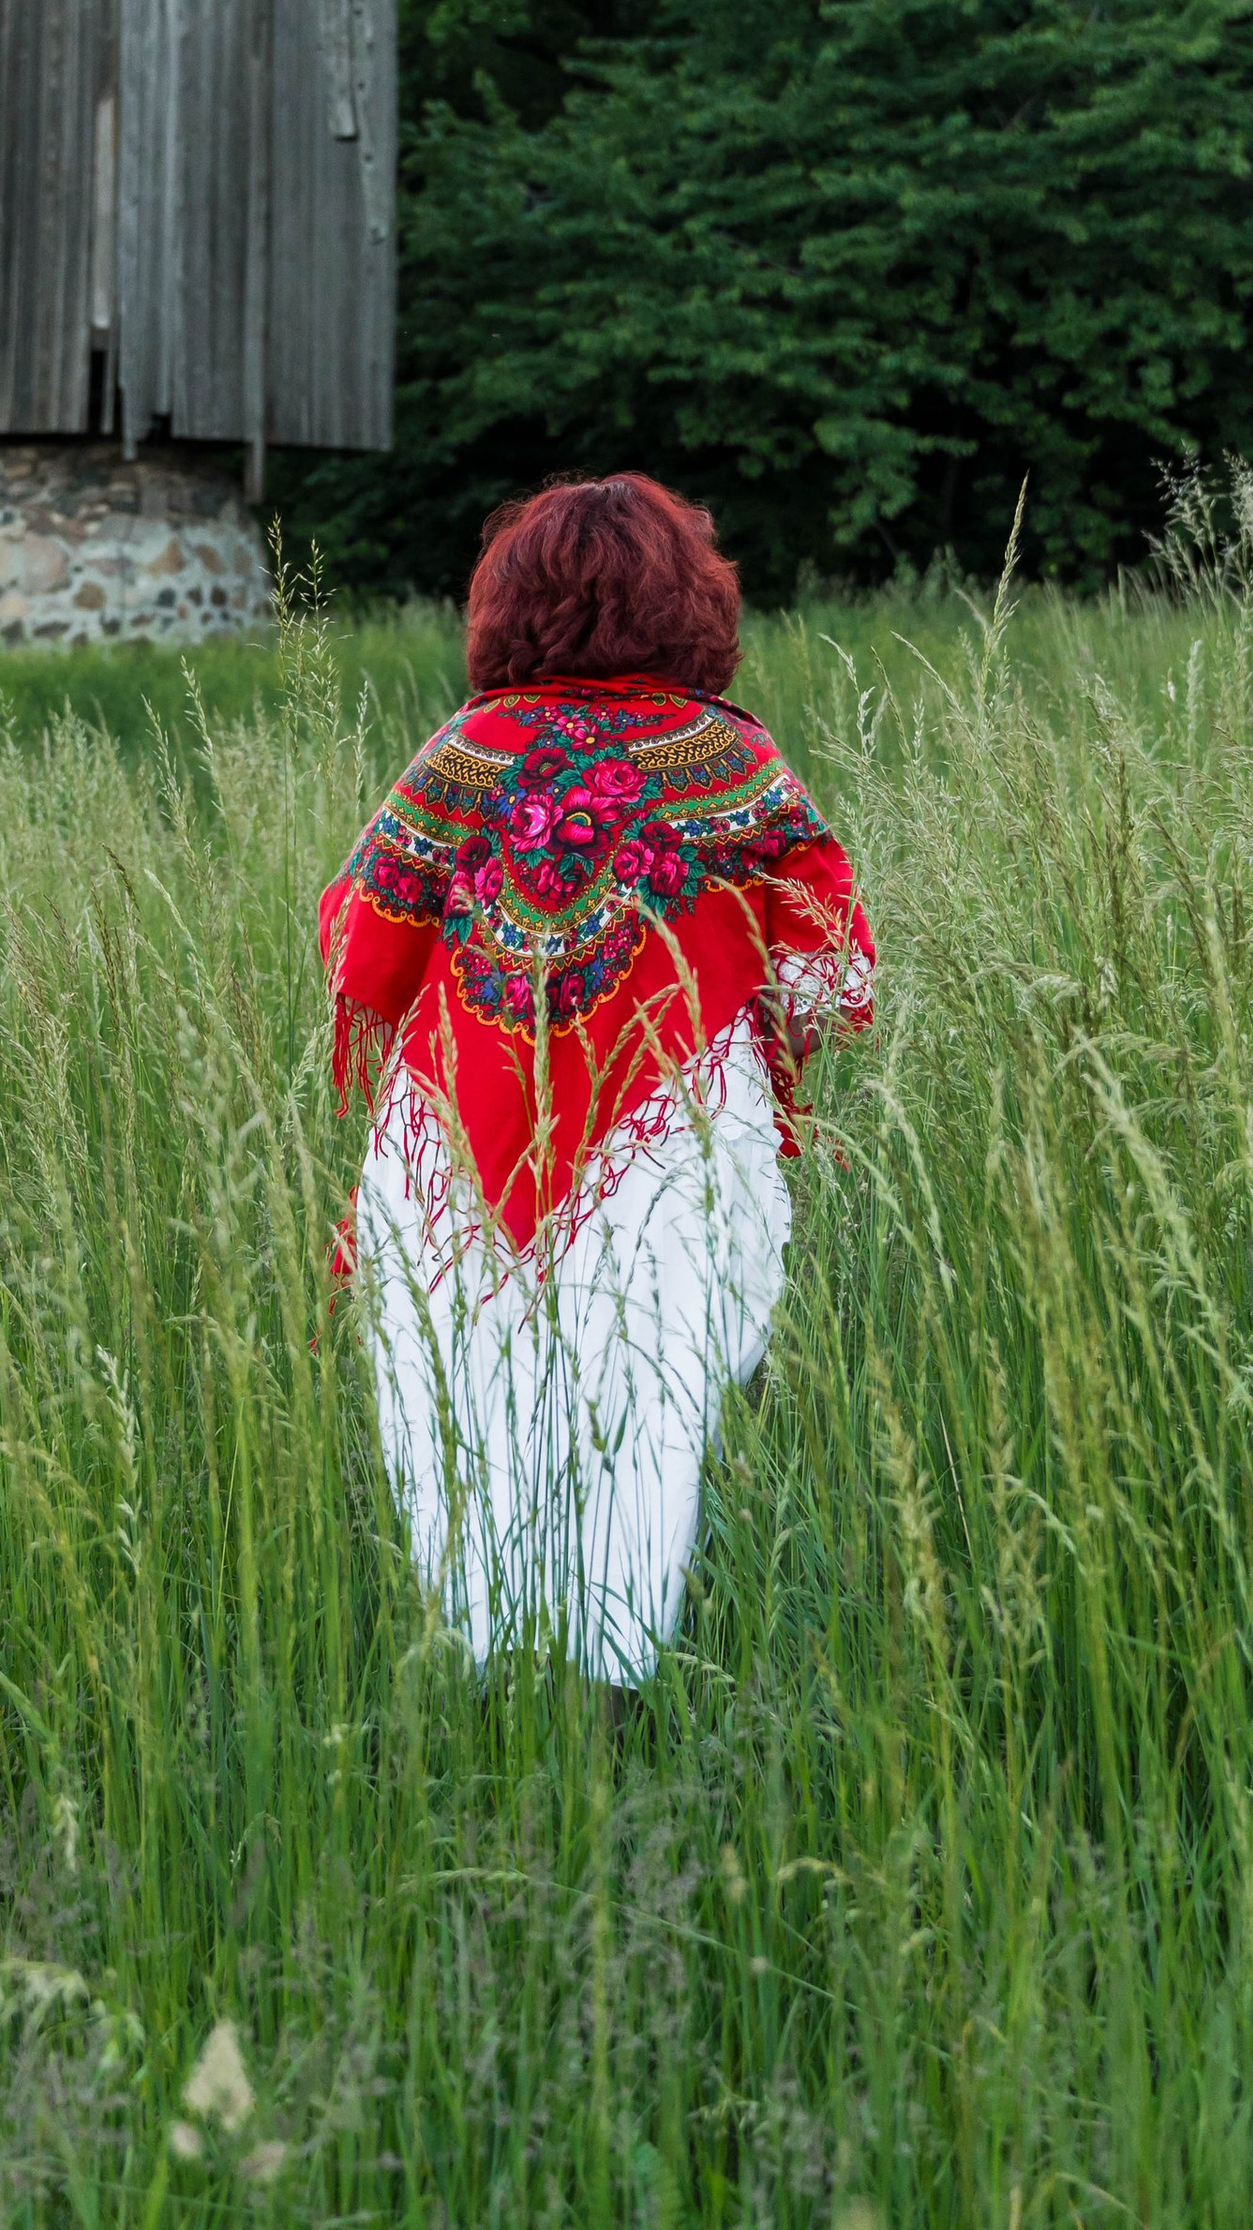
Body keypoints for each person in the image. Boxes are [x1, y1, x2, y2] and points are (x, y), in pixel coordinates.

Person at [320, 472, 875, 1681]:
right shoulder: (730, 765)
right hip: (672, 1147)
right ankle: (617, 1711)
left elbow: (359, 956)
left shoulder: (459, 755)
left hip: (450, 1153)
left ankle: (485, 1706)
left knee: (465, 1431)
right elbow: (834, 985)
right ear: (692, 601)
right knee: (651, 1435)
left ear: (506, 605)